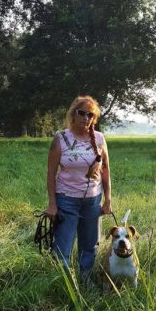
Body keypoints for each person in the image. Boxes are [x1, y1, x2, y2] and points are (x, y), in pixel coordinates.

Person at [45, 95, 112, 288]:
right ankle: (66, 285)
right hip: (66, 200)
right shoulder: (61, 138)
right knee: (62, 247)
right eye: (81, 113)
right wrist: (52, 204)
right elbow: (51, 173)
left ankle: (86, 280)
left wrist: (107, 199)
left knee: (89, 245)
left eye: (90, 114)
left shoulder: (99, 139)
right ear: (73, 114)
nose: (85, 117)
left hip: (92, 201)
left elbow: (106, 169)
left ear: (94, 118)